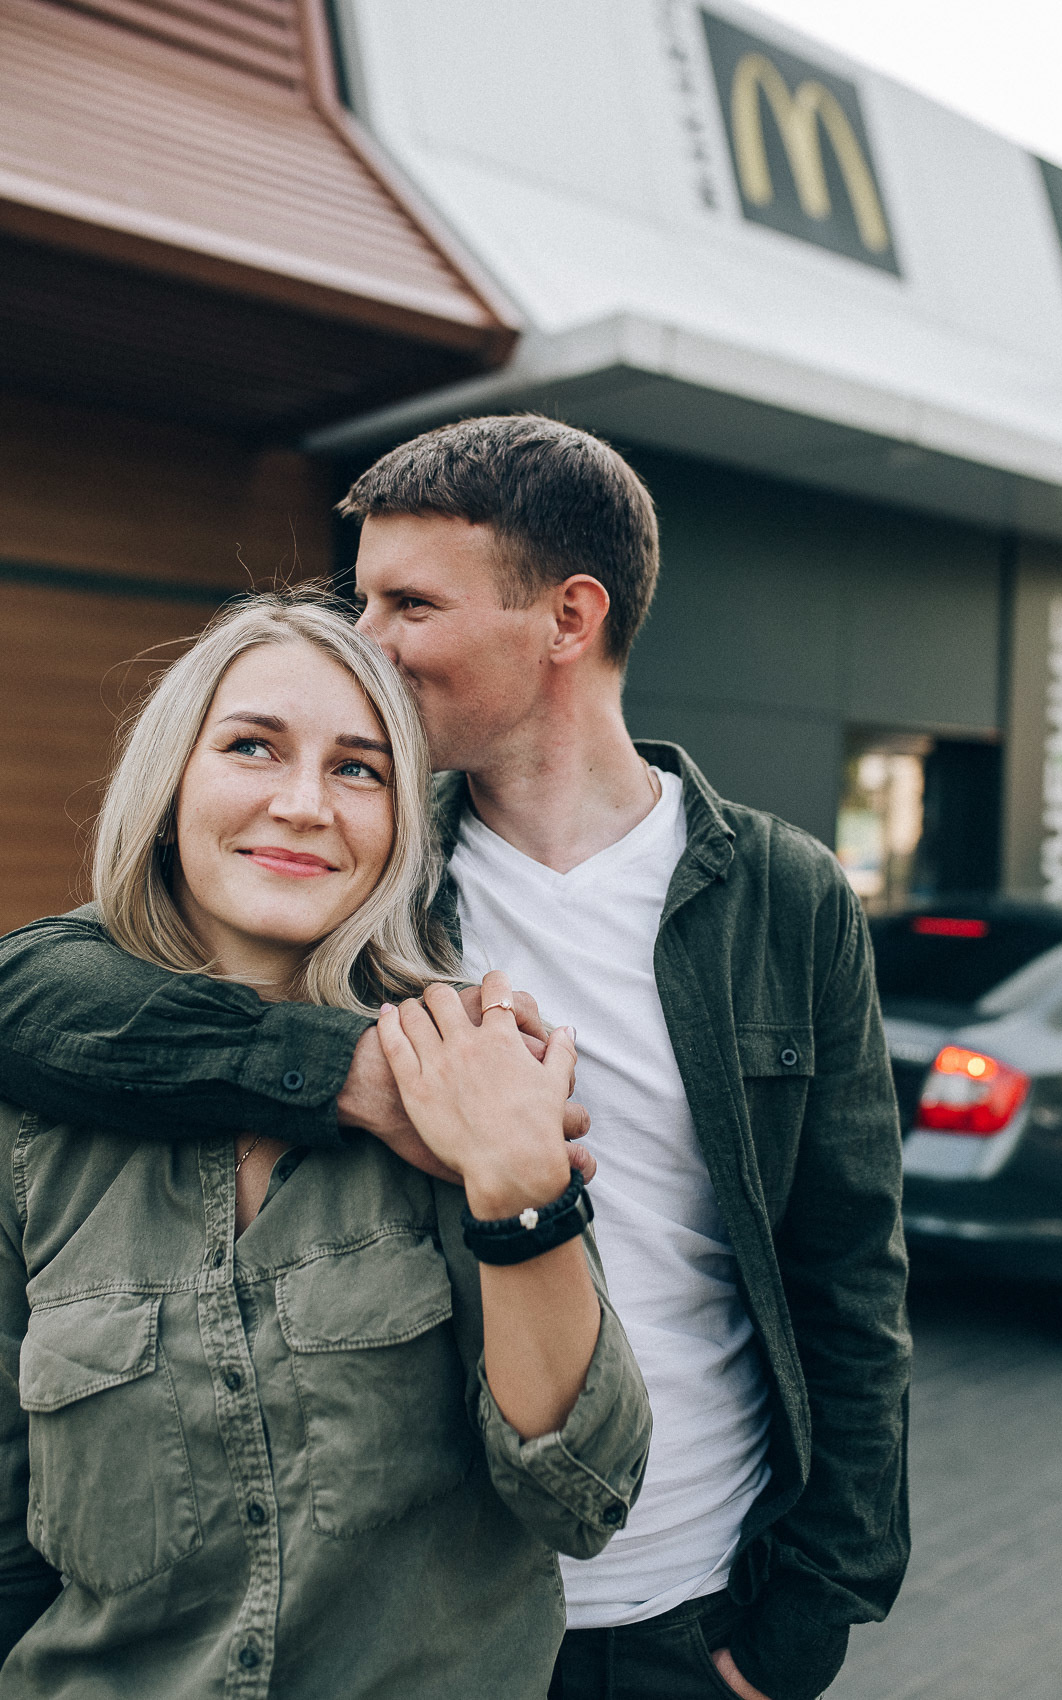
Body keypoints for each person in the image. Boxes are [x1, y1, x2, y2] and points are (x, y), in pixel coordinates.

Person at [0, 415, 910, 1700]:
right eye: (359, 597)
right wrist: (353, 1073)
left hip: (688, 1593)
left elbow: (848, 1264)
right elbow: (37, 997)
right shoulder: (360, 860)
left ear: (567, 616)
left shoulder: (781, 891)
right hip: (421, 1614)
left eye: (406, 602)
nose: (361, 642)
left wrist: (808, 1614)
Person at [0, 593, 650, 1698]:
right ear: (170, 789)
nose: (302, 804)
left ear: (400, 821)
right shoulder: (34, 1119)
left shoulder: (464, 1061)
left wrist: (516, 1179)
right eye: (253, 746)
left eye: (359, 768)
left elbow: (580, 1490)